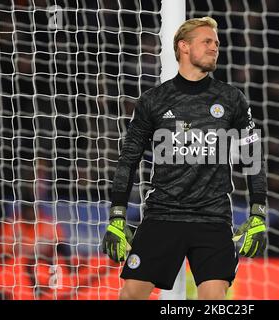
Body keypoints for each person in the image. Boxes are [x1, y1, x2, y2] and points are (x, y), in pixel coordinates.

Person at [102, 17, 268, 300]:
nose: (215, 47)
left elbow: (252, 157)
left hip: (213, 218)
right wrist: (117, 214)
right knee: (130, 295)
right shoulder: (153, 101)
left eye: (216, 42)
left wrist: (258, 212)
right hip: (163, 214)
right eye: (207, 41)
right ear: (184, 47)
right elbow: (128, 159)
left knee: (214, 298)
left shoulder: (232, 99)